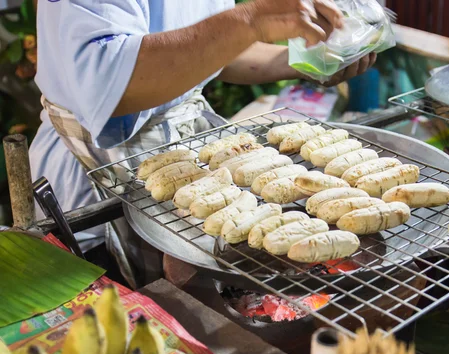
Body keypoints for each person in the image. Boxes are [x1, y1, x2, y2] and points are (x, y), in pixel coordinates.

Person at [30, 0, 377, 287]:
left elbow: (204, 49)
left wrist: (300, 63)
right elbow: (106, 81)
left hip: (181, 150)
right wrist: (251, 20)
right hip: (91, 180)